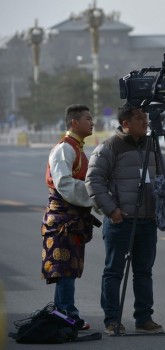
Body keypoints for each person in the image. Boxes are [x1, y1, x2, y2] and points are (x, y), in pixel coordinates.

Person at [85, 105, 164, 335]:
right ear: (126, 123)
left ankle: (144, 319)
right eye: (140, 118)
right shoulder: (109, 147)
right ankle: (112, 319)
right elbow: (94, 181)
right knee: (114, 272)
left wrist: (163, 210)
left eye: (146, 118)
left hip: (147, 221)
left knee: (144, 272)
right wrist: (111, 210)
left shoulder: (153, 145)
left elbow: (164, 177)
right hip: (121, 221)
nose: (145, 122)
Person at [41, 104, 101, 331]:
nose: (92, 122)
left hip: (71, 221)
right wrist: (94, 193)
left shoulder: (76, 147)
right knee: (65, 268)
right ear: (74, 122)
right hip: (63, 221)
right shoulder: (65, 149)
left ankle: (62, 314)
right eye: (88, 118)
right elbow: (64, 184)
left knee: (67, 268)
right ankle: (67, 313)